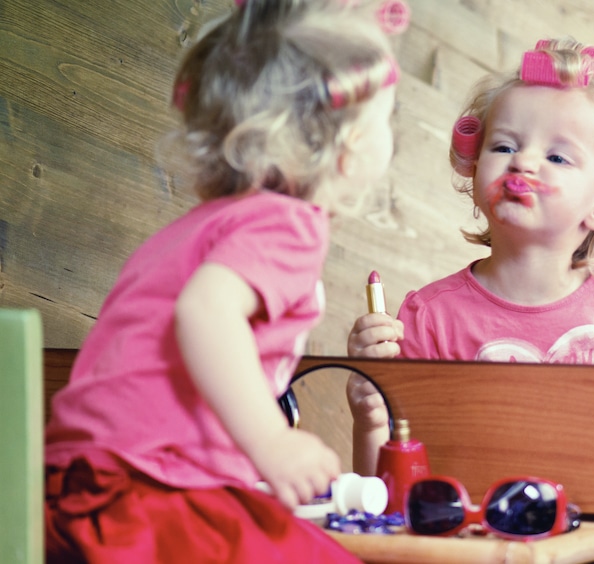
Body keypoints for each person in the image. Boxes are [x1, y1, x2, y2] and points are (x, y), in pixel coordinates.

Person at [44, 1, 400, 562]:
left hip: (76, 479)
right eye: (388, 119)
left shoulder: (196, 228)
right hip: (150, 487)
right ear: (350, 146)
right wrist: (271, 442)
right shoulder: (290, 223)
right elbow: (206, 312)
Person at [346, 37, 594, 476]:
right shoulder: (430, 319)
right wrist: (371, 419)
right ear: (474, 168)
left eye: (557, 156)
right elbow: (383, 493)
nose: (524, 163)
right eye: (504, 147)